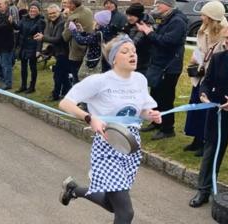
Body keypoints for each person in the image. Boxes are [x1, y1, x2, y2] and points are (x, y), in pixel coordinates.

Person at [58, 35, 161, 224]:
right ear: (114, 58)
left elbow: (143, 110)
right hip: (107, 146)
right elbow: (65, 103)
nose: (132, 55)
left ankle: (74, 189)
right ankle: (75, 190)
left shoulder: (139, 79)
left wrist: (150, 115)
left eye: (134, 51)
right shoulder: (100, 81)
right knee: (126, 213)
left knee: (112, 204)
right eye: (125, 51)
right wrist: (90, 118)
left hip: (131, 145)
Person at [189, 23, 228, 208]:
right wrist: (204, 93)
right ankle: (203, 191)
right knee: (211, 152)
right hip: (219, 113)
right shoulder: (218, 58)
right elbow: (206, 82)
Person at [136, 0, 187, 140]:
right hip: (159, 64)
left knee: (166, 98)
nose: (156, 4)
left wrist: (150, 33)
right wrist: (147, 32)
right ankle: (157, 122)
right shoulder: (165, 19)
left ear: (168, 5)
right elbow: (157, 39)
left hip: (169, 66)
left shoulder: (177, 21)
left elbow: (168, 42)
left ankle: (168, 128)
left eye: (160, 2)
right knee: (156, 95)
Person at [184, 1, 228, 157]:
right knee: (195, 107)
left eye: (204, 15)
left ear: (211, 17)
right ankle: (196, 139)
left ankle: (205, 142)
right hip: (200, 75)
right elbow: (198, 48)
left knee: (207, 112)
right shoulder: (202, 30)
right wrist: (194, 60)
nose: (201, 17)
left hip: (213, 77)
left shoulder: (224, 33)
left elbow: (224, 56)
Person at [34, 4, 69, 101]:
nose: (52, 15)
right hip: (57, 52)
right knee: (63, 76)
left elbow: (58, 39)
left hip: (64, 52)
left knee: (57, 75)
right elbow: (48, 36)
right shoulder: (50, 22)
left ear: (59, 12)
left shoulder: (61, 22)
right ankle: (66, 94)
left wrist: (44, 38)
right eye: (50, 14)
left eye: (54, 13)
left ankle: (56, 95)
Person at [14, 1, 45, 94]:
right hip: (24, 45)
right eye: (31, 9)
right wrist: (11, 22)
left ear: (38, 11)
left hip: (33, 46)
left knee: (32, 67)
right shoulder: (24, 18)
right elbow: (17, 27)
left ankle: (32, 87)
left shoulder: (41, 21)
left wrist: (38, 50)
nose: (32, 11)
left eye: (35, 9)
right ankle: (23, 85)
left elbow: (41, 36)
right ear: (29, 10)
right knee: (23, 67)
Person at [61, 0, 93, 85]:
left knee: (76, 79)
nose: (66, 5)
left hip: (76, 51)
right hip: (89, 49)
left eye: (67, 3)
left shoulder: (73, 17)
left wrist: (66, 19)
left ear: (72, 5)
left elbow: (65, 37)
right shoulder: (89, 11)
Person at [123, 3, 153, 75]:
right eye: (128, 15)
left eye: (131, 16)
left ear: (138, 16)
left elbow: (134, 42)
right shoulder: (131, 24)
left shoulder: (145, 25)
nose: (128, 18)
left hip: (142, 61)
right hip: (134, 59)